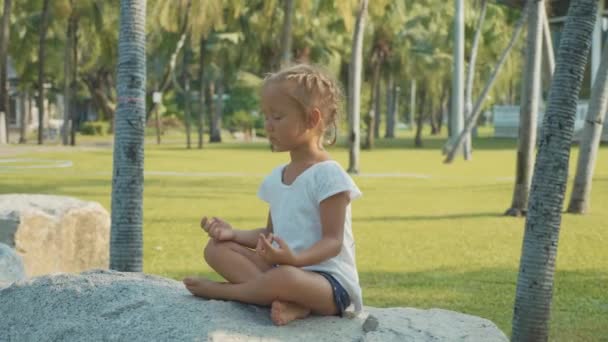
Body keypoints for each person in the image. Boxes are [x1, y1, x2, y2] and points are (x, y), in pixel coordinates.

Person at [183, 64, 363, 326]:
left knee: (285, 279)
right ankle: (293, 305)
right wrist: (233, 235)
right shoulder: (277, 177)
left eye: (277, 117)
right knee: (216, 250)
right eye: (266, 117)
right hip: (283, 271)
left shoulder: (329, 176)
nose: (268, 126)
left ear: (312, 120)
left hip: (327, 284)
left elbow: (332, 242)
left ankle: (223, 292)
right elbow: (270, 235)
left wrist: (294, 260)